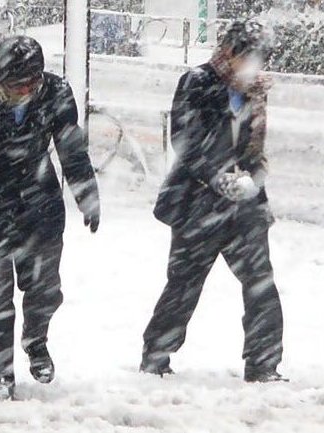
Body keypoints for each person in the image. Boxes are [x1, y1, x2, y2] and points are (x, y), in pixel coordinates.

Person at [0, 36, 101, 399]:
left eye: (21, 85)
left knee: (45, 289)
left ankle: (36, 339)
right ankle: (0, 377)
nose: (13, 91)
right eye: (6, 84)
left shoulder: (56, 93)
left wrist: (87, 196)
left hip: (39, 205)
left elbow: (71, 148)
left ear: (37, 80)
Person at [141, 20, 286, 383]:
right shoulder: (197, 82)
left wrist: (254, 179)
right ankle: (156, 357)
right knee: (184, 283)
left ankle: (263, 364)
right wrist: (217, 176)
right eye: (250, 58)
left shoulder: (255, 91)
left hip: (244, 207)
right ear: (231, 52)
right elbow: (185, 140)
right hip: (197, 203)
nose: (255, 67)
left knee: (261, 283)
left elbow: (253, 149)